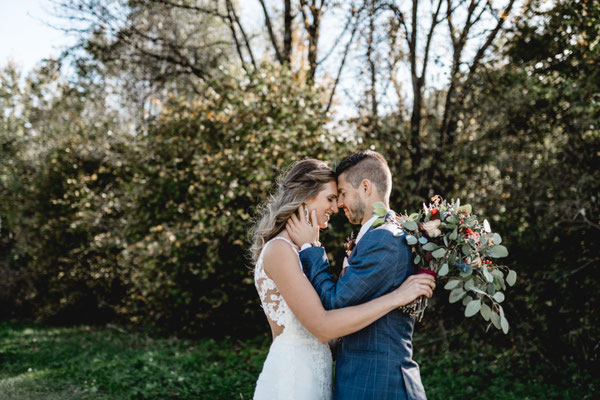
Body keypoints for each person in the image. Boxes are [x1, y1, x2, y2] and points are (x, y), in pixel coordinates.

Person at [251, 158, 435, 400]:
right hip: (294, 380)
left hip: (321, 377)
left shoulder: (303, 251)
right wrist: (397, 297)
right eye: (330, 198)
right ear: (305, 197)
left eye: (339, 195)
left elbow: (334, 321)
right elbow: (324, 326)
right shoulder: (281, 249)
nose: (336, 206)